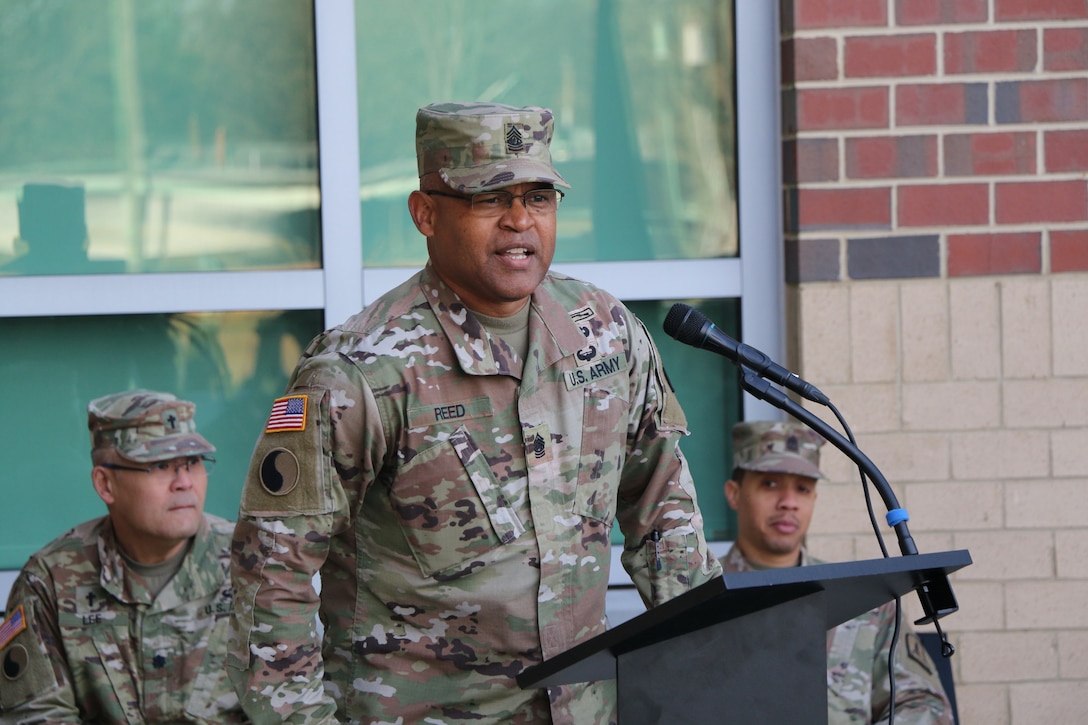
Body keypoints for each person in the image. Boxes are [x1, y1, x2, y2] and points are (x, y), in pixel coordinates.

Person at [227, 101, 722, 724]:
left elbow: (662, 508)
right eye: (490, 200)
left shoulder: (605, 331)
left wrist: (716, 666)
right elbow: (269, 579)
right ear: (425, 213)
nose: (520, 221)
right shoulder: (358, 374)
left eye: (539, 197)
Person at [0, 389, 247, 723]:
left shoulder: (251, 563)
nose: (185, 482)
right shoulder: (50, 582)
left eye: (192, 463)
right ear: (105, 484)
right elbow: (35, 714)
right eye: (160, 465)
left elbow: (288, 699)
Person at [723, 420, 952, 725]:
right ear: (734, 494)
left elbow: (925, 706)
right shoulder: (694, 596)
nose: (789, 503)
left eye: (803, 489)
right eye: (770, 483)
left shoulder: (867, 601)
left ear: (813, 500)